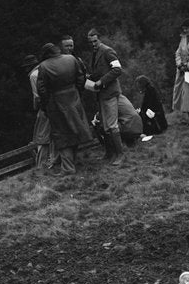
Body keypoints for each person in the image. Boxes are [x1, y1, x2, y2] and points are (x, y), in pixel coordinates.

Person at [37, 42, 92, 174]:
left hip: (56, 102)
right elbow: (81, 77)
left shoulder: (43, 66)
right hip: (73, 98)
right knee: (76, 128)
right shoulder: (71, 59)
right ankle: (74, 160)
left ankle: (68, 168)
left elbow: (42, 90)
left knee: (61, 134)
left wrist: (46, 105)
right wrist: (77, 93)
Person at [87, 28, 125, 163]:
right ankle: (109, 153)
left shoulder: (107, 51)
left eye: (95, 41)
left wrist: (101, 81)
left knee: (111, 125)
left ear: (100, 39)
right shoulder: (95, 53)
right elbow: (100, 71)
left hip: (110, 93)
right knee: (104, 125)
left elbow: (117, 69)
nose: (93, 44)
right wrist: (90, 77)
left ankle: (120, 155)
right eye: (90, 42)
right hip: (101, 94)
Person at [24, 54, 56, 172]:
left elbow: (37, 96)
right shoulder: (46, 70)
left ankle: (41, 165)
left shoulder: (33, 75)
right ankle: (53, 160)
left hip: (44, 108)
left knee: (42, 136)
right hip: (55, 106)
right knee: (53, 134)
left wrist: (36, 107)